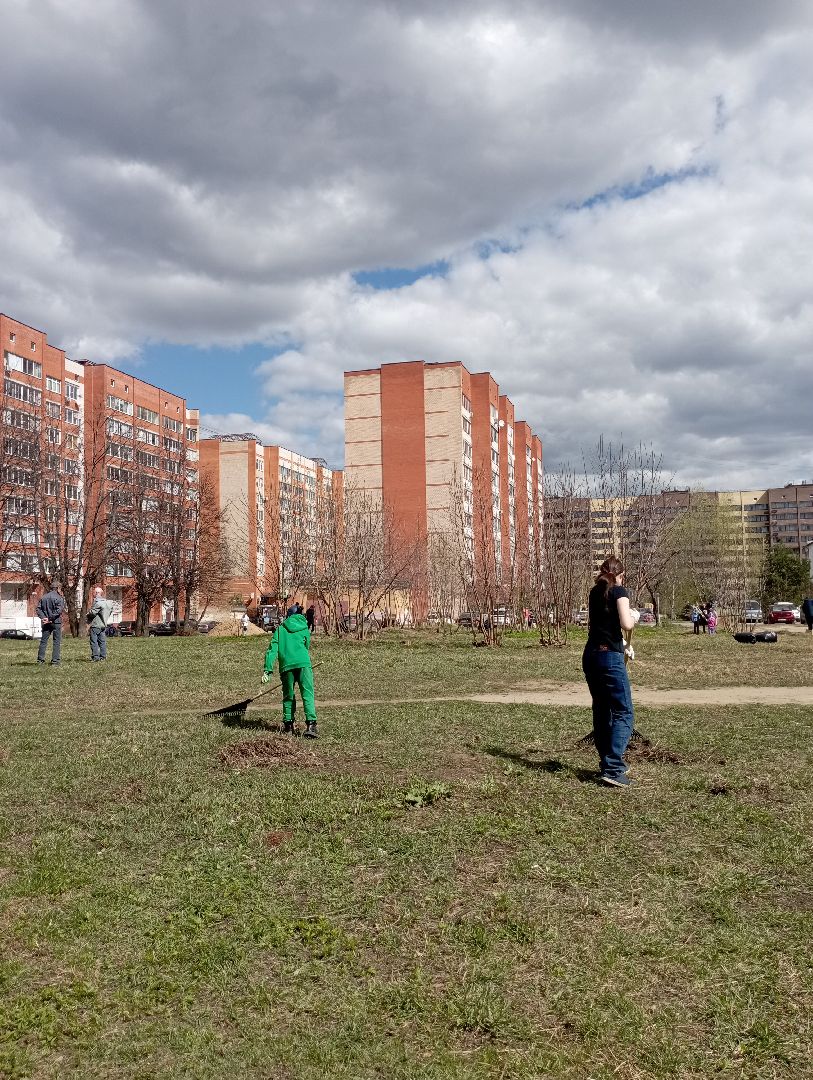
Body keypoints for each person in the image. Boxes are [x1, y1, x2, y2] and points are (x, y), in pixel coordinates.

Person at [581, 556, 640, 787]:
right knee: (624, 712)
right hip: (609, 659)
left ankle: (606, 762)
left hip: (591, 655)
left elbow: (604, 624)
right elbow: (626, 624)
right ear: (620, 574)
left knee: (602, 710)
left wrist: (623, 645)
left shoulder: (594, 592)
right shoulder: (619, 590)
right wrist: (633, 618)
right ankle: (613, 768)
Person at [262, 604, 318, 737]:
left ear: (288, 615)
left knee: (288, 696)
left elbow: (272, 650)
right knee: (307, 694)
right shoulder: (304, 627)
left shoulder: (280, 629)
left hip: (286, 666)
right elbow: (307, 645)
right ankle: (311, 725)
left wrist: (267, 670)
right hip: (304, 664)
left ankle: (288, 726)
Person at [36, 581, 66, 666]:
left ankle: (40, 660)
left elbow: (38, 609)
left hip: (46, 622)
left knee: (43, 641)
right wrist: (49, 618)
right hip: (56, 622)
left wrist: (44, 618)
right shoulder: (59, 598)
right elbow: (58, 611)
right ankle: (55, 662)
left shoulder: (44, 597)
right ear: (58, 588)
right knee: (56, 641)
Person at [87, 586, 114, 662]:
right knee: (102, 641)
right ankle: (103, 656)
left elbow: (92, 613)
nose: (93, 594)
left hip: (96, 625)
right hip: (103, 625)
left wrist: (87, 614)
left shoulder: (97, 602)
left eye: (93, 592)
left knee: (94, 641)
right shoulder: (107, 603)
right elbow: (110, 611)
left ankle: (95, 657)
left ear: (96, 593)